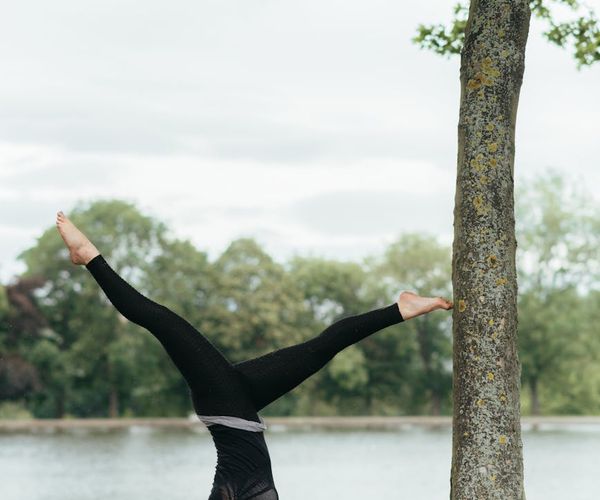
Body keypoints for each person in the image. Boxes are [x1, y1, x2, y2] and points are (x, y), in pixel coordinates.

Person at [55, 210, 453, 500]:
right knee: (320, 347)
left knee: (166, 323)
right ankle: (402, 308)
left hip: (227, 411)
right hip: (236, 404)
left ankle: (90, 256)